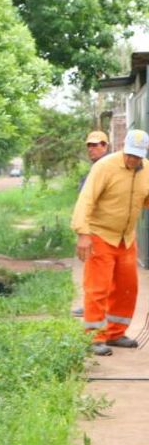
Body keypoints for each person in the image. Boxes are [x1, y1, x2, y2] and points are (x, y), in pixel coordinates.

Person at [71, 129, 149, 356]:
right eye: (129, 154)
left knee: (127, 288)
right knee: (98, 288)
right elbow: (86, 200)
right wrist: (83, 233)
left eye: (137, 156)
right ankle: (95, 337)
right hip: (100, 235)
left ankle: (115, 333)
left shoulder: (146, 170)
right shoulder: (104, 167)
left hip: (126, 238)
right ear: (123, 147)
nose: (132, 159)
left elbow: (144, 199)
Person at [71, 130, 111, 317]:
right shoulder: (96, 168)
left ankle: (95, 308)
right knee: (94, 271)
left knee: (98, 273)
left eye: (96, 145)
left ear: (105, 146)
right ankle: (93, 306)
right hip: (93, 228)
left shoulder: (107, 168)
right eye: (89, 145)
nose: (91, 149)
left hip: (103, 229)